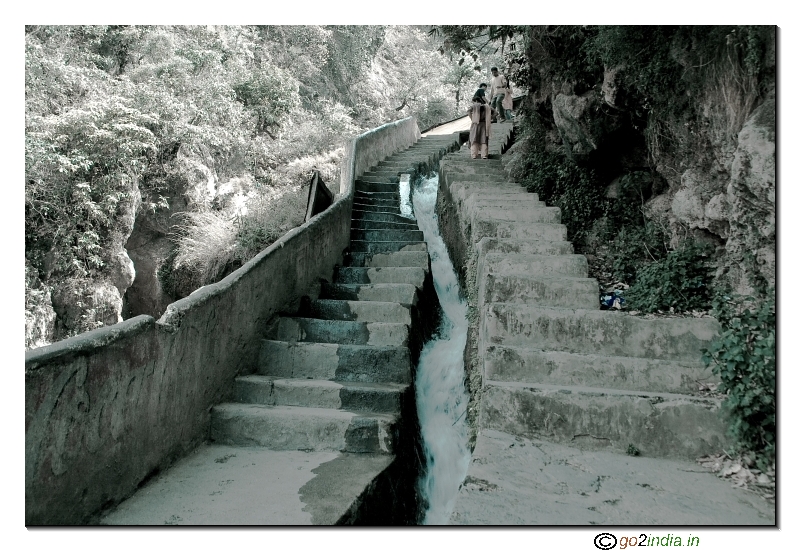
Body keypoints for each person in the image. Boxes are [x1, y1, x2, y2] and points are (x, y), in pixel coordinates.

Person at [467, 88, 495, 159]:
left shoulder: (474, 106)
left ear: (476, 101)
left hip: (475, 125)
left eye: (473, 102)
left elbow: (468, 111)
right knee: (484, 139)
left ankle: (474, 155)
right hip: (484, 124)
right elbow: (496, 112)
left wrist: (472, 118)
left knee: (474, 139)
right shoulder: (486, 107)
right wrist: (490, 118)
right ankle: (484, 155)